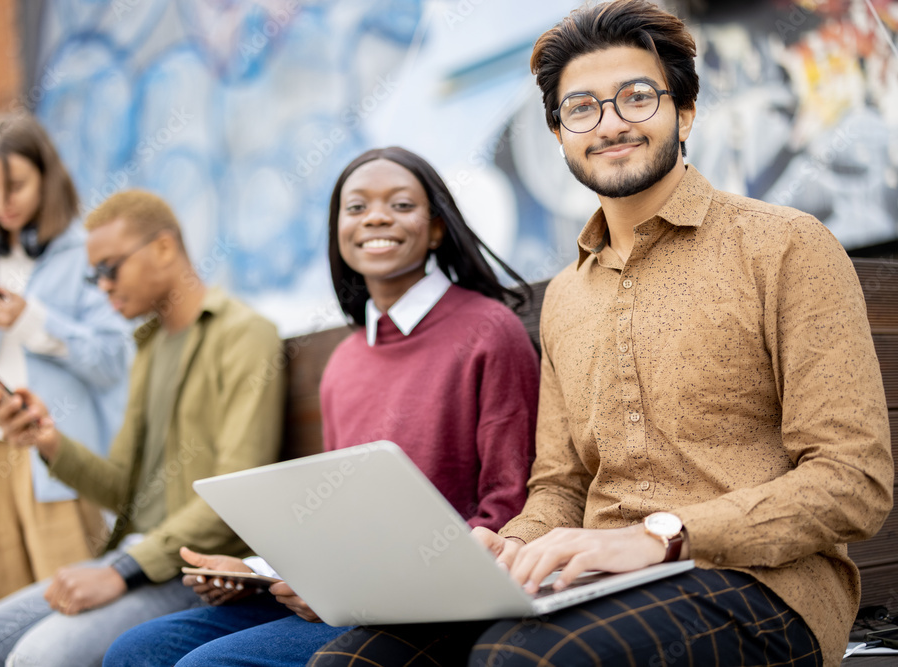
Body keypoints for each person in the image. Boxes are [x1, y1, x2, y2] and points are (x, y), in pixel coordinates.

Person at [310, 2, 894, 666]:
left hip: (765, 588)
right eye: (582, 108)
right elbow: (559, 484)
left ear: (686, 112)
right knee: (352, 661)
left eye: (637, 98)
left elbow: (854, 481)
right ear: (560, 135)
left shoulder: (786, 247)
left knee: (519, 659)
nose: (610, 123)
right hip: (592, 581)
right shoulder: (565, 296)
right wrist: (512, 543)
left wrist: (661, 536)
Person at [102, 146, 541, 667]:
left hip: (435, 601)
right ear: (339, 231)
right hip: (346, 596)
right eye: (356, 208)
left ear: (437, 228)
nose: (376, 216)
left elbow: (508, 509)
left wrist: (352, 586)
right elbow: (338, 521)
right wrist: (260, 572)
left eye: (400, 205)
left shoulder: (490, 331)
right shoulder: (345, 362)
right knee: (137, 651)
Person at [0, 190, 287, 667]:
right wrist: (50, 442)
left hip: (198, 574)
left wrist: (121, 570)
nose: (101, 286)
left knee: (39, 658)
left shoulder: (244, 336)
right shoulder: (148, 346)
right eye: (92, 273)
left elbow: (233, 498)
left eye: (109, 268)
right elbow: (122, 486)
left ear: (163, 248)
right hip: (135, 558)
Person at [0, 112, 130, 628]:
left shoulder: (87, 251)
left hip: (57, 458)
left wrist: (31, 320)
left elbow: (112, 359)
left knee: (69, 624)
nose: (1, 200)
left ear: (46, 177)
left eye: (14, 184)